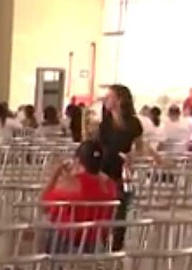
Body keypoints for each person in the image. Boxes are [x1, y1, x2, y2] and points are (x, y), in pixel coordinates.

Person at [40, 140, 118, 253]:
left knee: (42, 229)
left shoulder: (71, 184)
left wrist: (56, 175)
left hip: (67, 245)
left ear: (77, 160)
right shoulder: (110, 185)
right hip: (95, 245)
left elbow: (43, 206)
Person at [98, 84, 145, 251]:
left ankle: (116, 249)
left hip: (123, 171)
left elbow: (140, 147)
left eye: (109, 96)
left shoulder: (133, 123)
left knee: (120, 212)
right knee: (103, 212)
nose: (106, 100)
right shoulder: (104, 123)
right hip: (104, 170)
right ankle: (103, 248)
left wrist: (132, 156)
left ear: (120, 99)